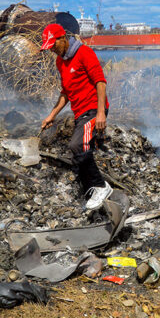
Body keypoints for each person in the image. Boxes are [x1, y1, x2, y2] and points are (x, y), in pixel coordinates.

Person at [40, 23, 113, 210]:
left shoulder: (84, 53)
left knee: (77, 145)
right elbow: (65, 92)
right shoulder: (60, 62)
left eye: (54, 45)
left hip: (93, 109)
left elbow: (100, 82)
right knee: (78, 154)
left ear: (63, 38)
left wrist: (101, 113)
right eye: (50, 48)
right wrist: (52, 115)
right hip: (79, 112)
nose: (53, 51)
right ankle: (91, 192)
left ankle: (101, 187)